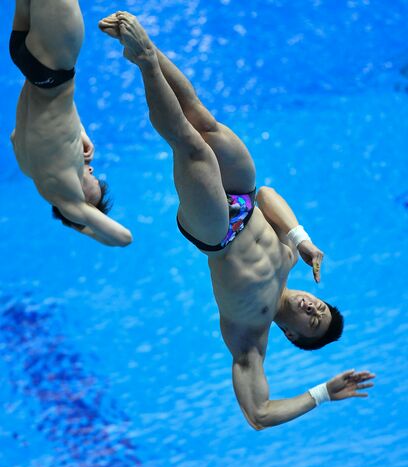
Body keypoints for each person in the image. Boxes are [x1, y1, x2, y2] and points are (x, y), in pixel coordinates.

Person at [99, 11, 375, 429]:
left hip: (215, 232)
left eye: (311, 319)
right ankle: (146, 45)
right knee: (202, 120)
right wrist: (302, 238)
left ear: (294, 334)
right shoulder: (292, 258)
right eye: (319, 306)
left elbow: (258, 415)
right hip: (244, 200)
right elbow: (267, 195)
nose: (310, 307)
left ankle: (144, 61)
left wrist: (322, 394)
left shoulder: (250, 336)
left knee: (190, 146)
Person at [9, 0, 132, 246]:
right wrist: (80, 132)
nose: (91, 170)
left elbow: (123, 239)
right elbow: (48, 121)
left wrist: (81, 223)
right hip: (29, 63)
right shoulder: (30, 168)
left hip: (52, 61)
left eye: (92, 180)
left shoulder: (69, 198)